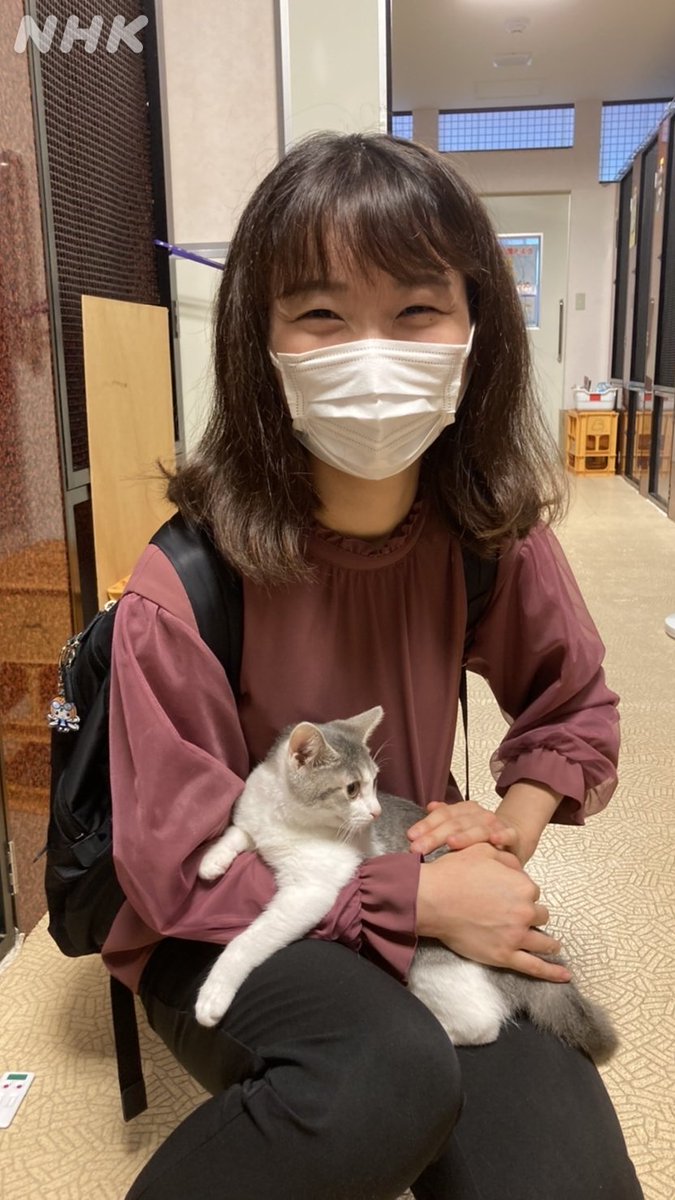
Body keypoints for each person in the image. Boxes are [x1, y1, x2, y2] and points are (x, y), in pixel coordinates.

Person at [104, 132, 643, 1199]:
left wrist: (503, 832)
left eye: (416, 310)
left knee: (564, 1175)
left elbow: (573, 705)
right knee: (384, 1077)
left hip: (406, 867)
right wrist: (414, 901)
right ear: (259, 339)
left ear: (477, 329)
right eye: (319, 313)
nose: (372, 353)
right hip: (220, 915)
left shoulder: (488, 535)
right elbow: (175, 868)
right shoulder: (183, 583)